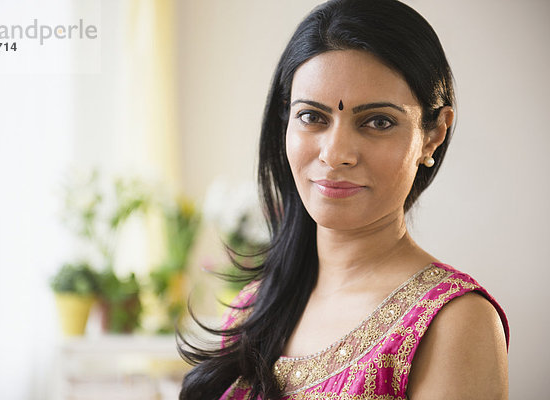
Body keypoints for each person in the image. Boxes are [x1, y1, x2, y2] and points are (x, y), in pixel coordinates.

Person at [178, 0, 510, 399]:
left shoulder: (455, 324)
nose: (335, 153)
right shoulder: (254, 307)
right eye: (312, 117)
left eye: (378, 122)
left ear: (433, 134)